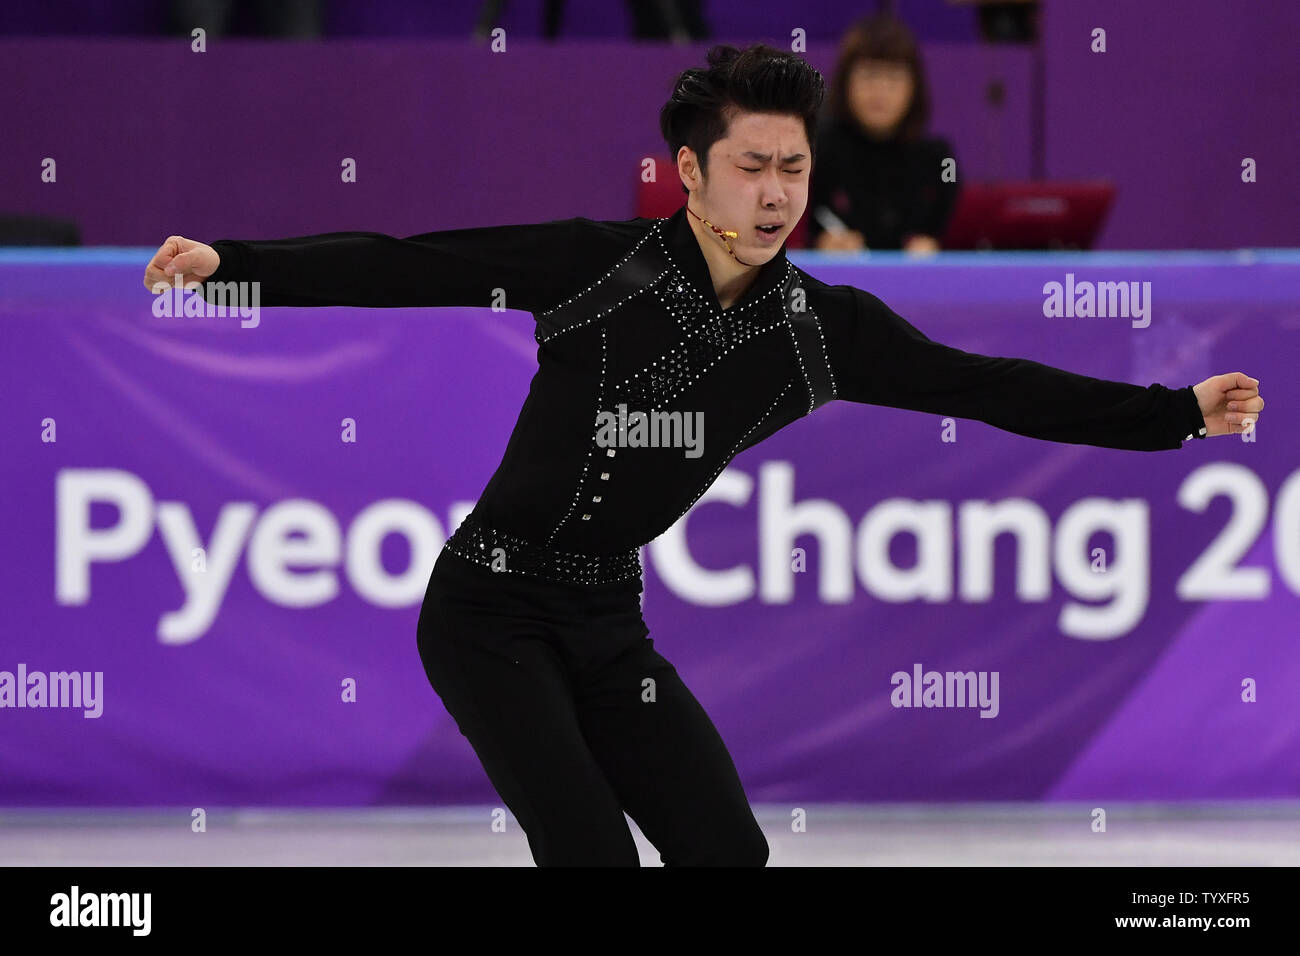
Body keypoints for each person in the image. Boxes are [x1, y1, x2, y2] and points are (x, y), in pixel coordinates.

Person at [142, 43, 1263, 866]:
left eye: (794, 166)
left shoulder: (823, 333)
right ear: (689, 171)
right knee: (591, 855)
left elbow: (989, 386)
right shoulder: (594, 266)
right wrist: (230, 263)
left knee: (728, 856)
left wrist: (1171, 412)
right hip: (487, 610)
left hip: (605, 622)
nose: (777, 192)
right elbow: (407, 262)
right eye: (751, 165)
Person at [808, 13, 959, 254]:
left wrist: (934, 248)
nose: (880, 91)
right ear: (846, 81)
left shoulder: (939, 160)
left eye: (894, 78)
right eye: (869, 75)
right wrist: (821, 244)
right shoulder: (816, 152)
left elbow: (962, 239)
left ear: (915, 87)